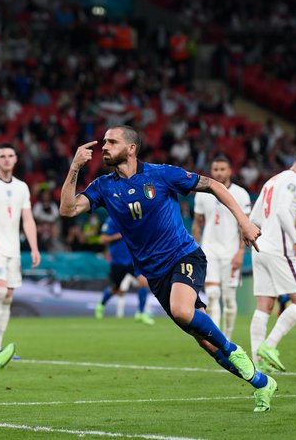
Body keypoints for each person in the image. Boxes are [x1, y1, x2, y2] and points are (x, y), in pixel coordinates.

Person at [60, 126, 276, 412]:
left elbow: (213, 185)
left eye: (113, 142)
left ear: (131, 148)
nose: (105, 146)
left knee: (183, 311)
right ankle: (261, 383)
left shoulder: (161, 174)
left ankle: (234, 349)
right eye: (105, 142)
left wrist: (244, 222)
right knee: (206, 344)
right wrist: (74, 167)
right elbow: (68, 209)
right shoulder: (104, 186)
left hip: (184, 255)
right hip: (156, 274)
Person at [248, 148, 296, 373]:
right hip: (279, 248)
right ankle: (269, 346)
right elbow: (281, 211)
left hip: (259, 247)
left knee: (264, 306)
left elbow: (254, 218)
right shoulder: (294, 179)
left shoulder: (273, 180)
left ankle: (256, 363)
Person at [0, 142, 41, 359]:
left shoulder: (22, 187)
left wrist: (34, 247)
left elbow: (28, 219)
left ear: (15, 159)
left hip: (13, 249)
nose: (6, 159)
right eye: (1, 155)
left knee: (8, 296)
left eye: (10, 155)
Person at [192, 155, 251, 339]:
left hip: (231, 252)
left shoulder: (241, 194)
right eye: (215, 169)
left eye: (222, 169)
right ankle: (217, 339)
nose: (218, 172)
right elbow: (197, 223)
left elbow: (245, 225)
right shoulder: (202, 193)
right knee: (212, 295)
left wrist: (241, 252)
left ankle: (228, 337)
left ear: (230, 171)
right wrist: (196, 248)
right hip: (209, 250)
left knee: (229, 300)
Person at [94, 216, 154, 324]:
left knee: (144, 282)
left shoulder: (134, 218)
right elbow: (102, 239)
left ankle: (140, 313)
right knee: (116, 289)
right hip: (118, 262)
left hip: (132, 260)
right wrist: (120, 235)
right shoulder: (112, 220)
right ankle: (101, 304)